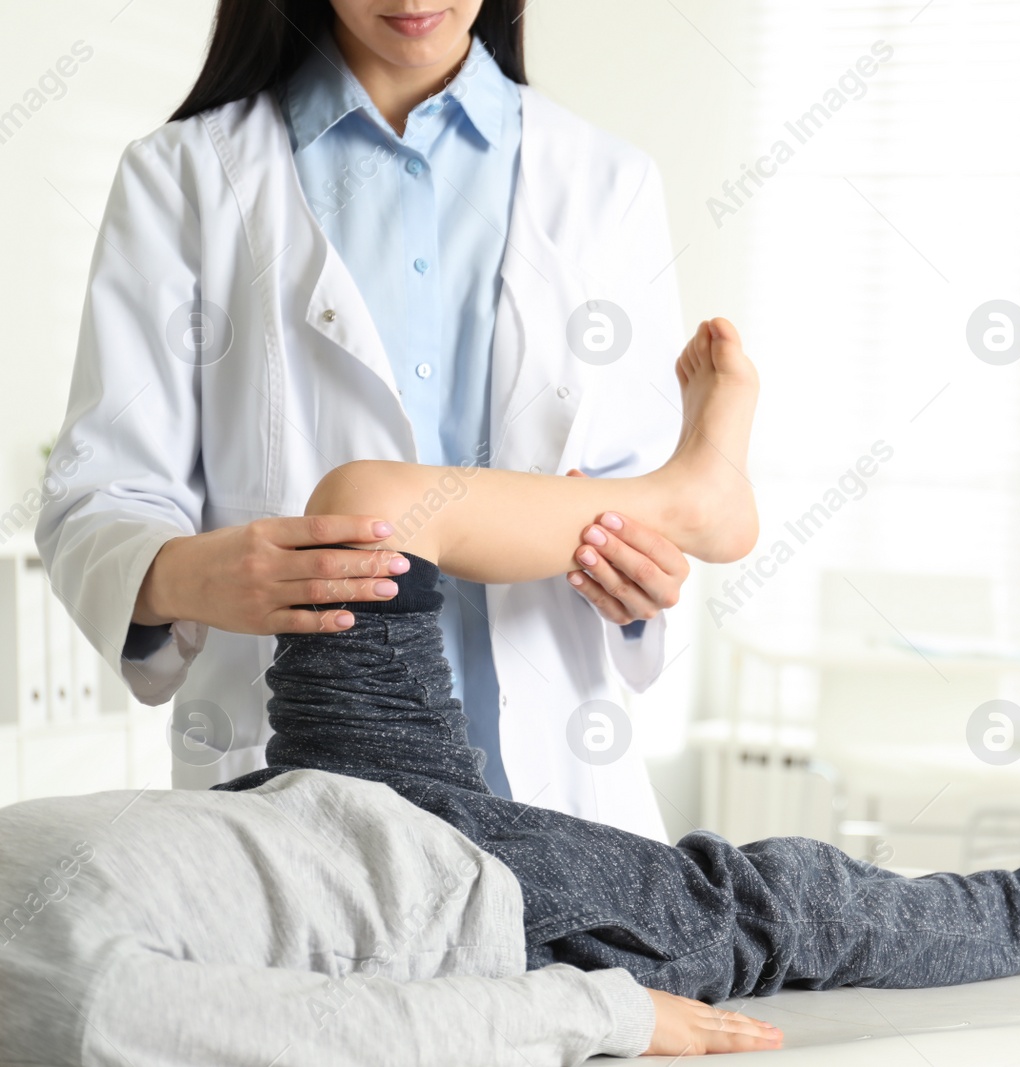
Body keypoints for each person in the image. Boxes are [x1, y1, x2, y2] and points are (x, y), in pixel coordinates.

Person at [0, 321, 1020, 1066]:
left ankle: (687, 496)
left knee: (370, 510)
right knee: (768, 903)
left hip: (316, 801)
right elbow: (355, 1031)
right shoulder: (86, 1010)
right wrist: (609, 1009)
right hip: (459, 902)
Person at [35, 0, 687, 838]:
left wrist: (644, 585)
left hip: (554, 796)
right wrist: (197, 575)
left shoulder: (607, 182)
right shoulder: (184, 177)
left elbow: (649, 499)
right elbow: (97, 497)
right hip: (292, 794)